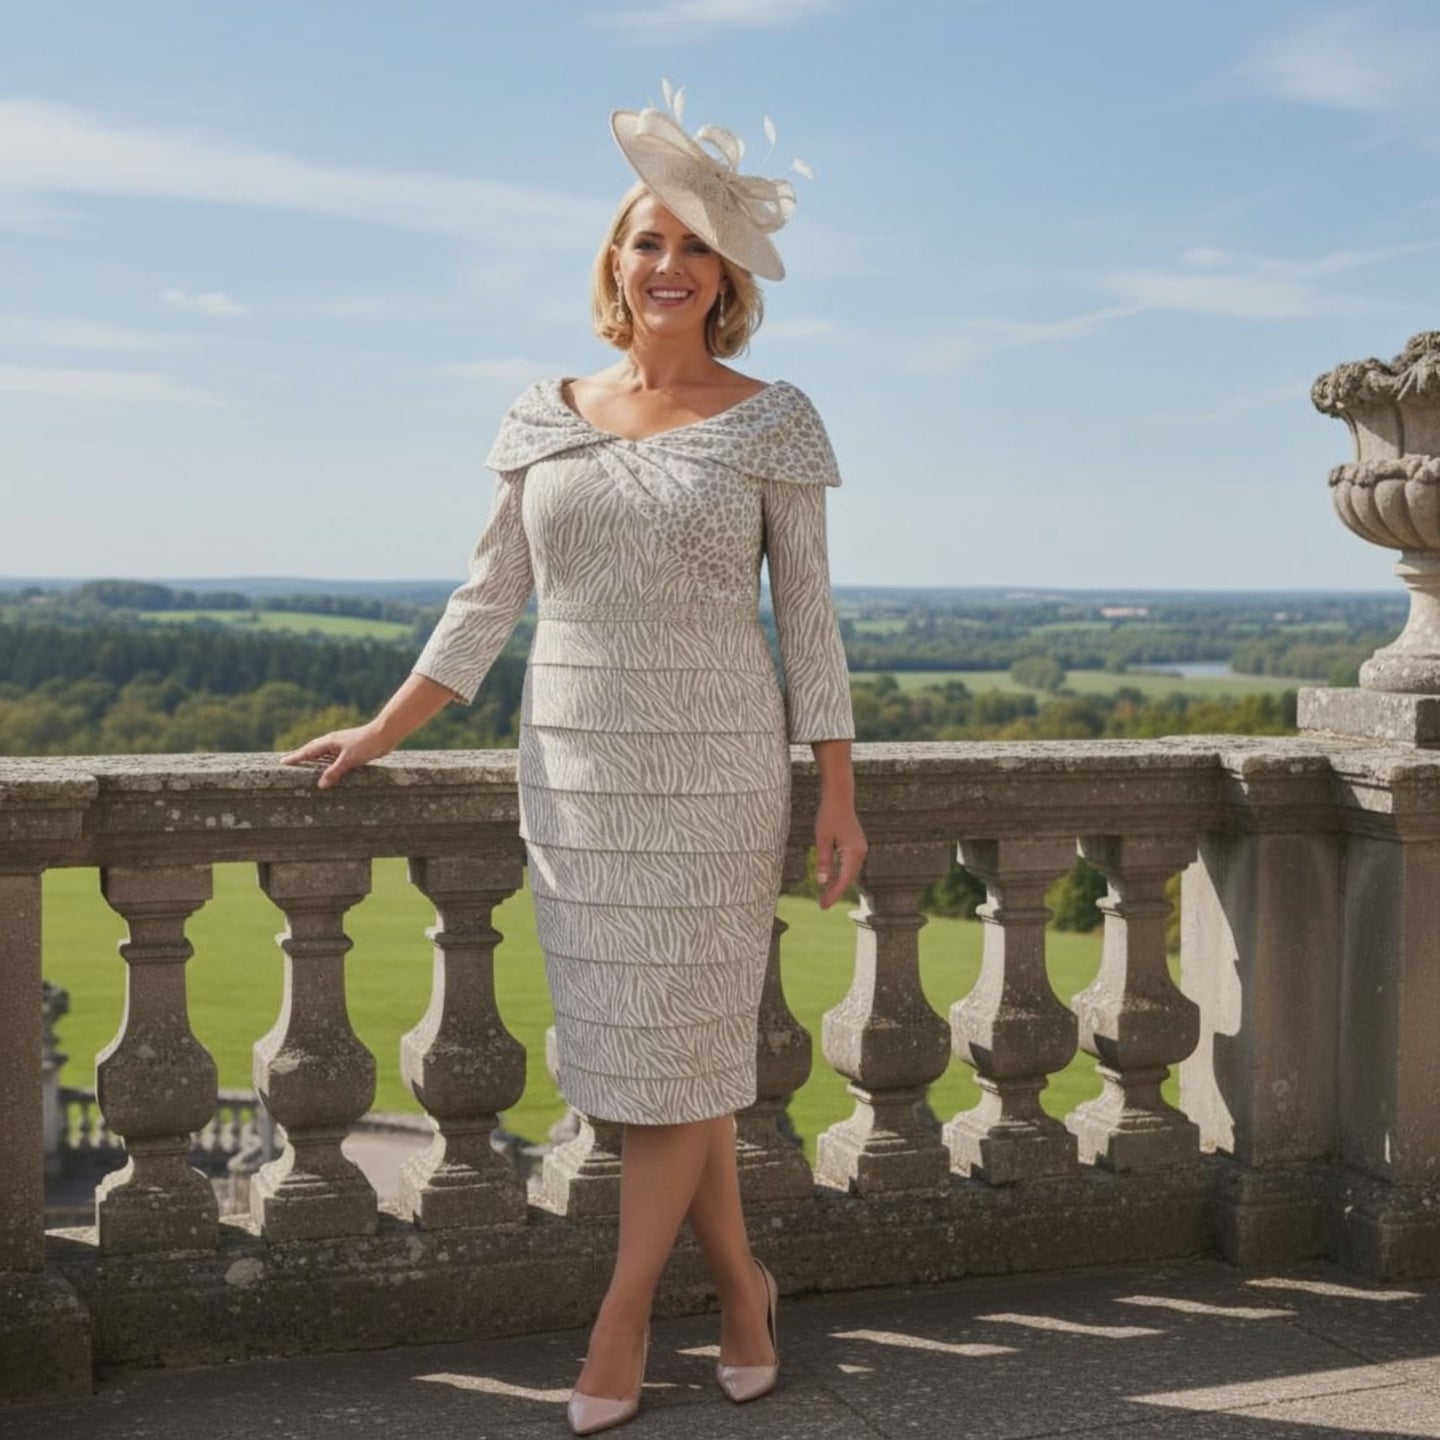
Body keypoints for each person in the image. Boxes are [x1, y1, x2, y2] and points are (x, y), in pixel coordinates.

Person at [281, 84, 866, 1436]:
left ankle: (619, 1315)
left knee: (674, 1048)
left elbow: (816, 625)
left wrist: (836, 790)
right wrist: (382, 727)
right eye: (645, 242)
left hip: (718, 765)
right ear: (614, 260)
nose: (667, 267)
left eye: (694, 248)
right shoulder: (541, 412)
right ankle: (741, 1291)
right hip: (578, 771)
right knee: (663, 1056)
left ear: (727, 279)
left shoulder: (776, 418)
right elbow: (485, 602)